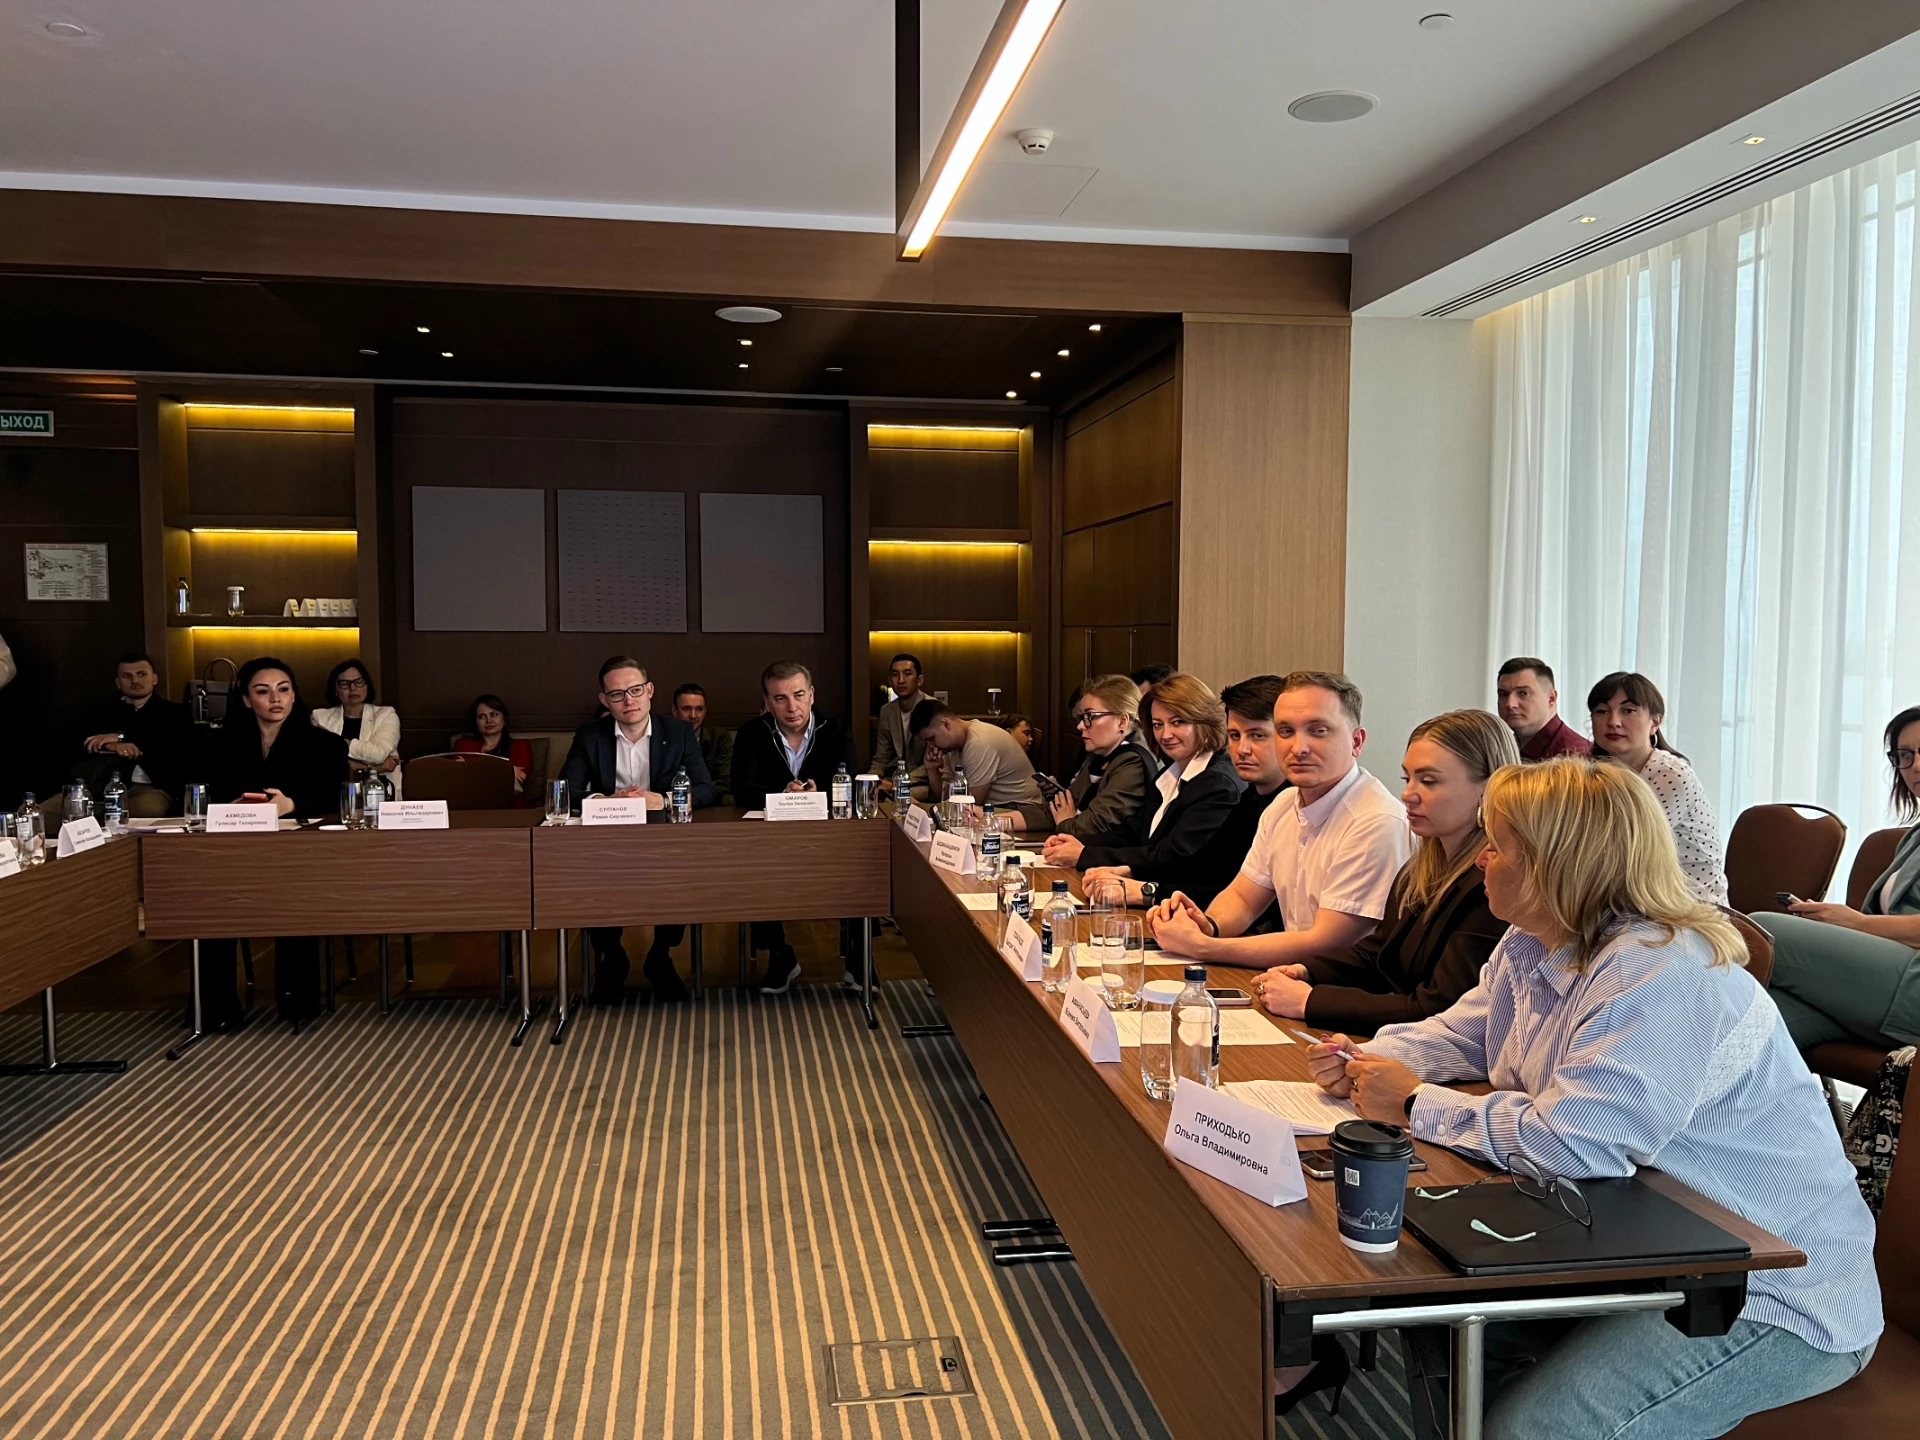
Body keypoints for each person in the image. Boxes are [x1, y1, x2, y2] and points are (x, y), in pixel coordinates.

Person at [1307, 758, 1880, 1439]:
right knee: (1442, 1319)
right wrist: (1372, 1061)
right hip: (1641, 1239)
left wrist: (1412, 1103)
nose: (1481, 859)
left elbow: (1575, 1143)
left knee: (1534, 1427)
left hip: (1769, 1287)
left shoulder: (1660, 967)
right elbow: (1465, 1034)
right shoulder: (1535, 940)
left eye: (1498, 846)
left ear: (1556, 864)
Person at [1250, 710, 1517, 1032]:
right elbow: (1380, 953)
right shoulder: (1418, 872)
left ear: (1487, 790)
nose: (1408, 794)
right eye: (1408, 779)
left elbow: (1440, 1009)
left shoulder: (1493, 885)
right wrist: (1307, 971)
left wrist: (1310, 1002)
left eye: (1429, 781)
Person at [1148, 671, 1411, 968]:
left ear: (1356, 741)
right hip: (1292, 978)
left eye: (1318, 731)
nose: (1298, 748)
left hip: (1349, 987)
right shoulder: (1284, 804)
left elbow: (1326, 943)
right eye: (1286, 731)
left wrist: (1204, 947)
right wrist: (1206, 925)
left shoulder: (1376, 821)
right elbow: (1243, 898)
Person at [1752, 706, 1920, 1053]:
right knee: (1753, 1016)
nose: (1915, 765)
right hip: (1885, 985)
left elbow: (1874, 925)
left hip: (1912, 989)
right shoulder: (1914, 838)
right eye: (1905, 755)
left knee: (1762, 931)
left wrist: (1856, 923)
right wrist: (1835, 923)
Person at [198, 657, 350, 1029]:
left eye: (283, 690)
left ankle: (298, 1004)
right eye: (263, 692)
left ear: (295, 695)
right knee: (209, 897)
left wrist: (291, 805)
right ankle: (217, 1010)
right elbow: (203, 794)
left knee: (295, 893)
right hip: (234, 850)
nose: (275, 699)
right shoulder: (219, 743)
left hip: (298, 853)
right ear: (246, 700)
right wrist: (230, 806)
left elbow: (336, 800)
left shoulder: (326, 744)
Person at [558, 657, 715, 1003]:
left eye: (635, 690)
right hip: (606, 842)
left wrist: (662, 799)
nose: (628, 700)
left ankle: (660, 955)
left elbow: (706, 790)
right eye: (617, 694)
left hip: (663, 840)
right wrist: (605, 800)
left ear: (650, 691)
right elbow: (565, 791)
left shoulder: (678, 732)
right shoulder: (590, 735)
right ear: (604, 700)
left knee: (681, 874)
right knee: (590, 878)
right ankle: (612, 957)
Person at [1086, 675, 1291, 912]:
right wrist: (1130, 871)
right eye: (1235, 736)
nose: (1242, 749)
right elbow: (1204, 869)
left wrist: (1145, 890)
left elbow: (1237, 896)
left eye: (1257, 735)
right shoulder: (1250, 798)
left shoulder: (1225, 785)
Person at [731, 661, 860, 994]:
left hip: (828, 836)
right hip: (770, 838)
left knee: (863, 860)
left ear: (812, 695)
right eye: (780, 698)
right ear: (766, 702)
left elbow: (851, 781)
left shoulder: (836, 730)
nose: (792, 707)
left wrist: (820, 794)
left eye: (799, 695)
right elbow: (741, 789)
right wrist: (781, 794)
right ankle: (780, 955)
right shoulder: (751, 733)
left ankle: (859, 957)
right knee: (751, 865)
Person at [1047, 671, 1241, 873]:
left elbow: (1171, 856)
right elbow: (1134, 832)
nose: (1165, 735)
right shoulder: (1169, 774)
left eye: (1177, 722)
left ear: (1204, 721)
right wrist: (1079, 845)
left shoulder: (1218, 785)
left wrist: (1085, 855)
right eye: (1158, 725)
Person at [1586, 671, 1727, 904]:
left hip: (1692, 909)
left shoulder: (1671, 775)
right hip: (1633, 902)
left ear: (1655, 722)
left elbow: (1620, 856)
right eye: (1602, 711)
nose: (1613, 721)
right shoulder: (1596, 772)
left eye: (1628, 710)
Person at [57, 652, 193, 818]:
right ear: (118, 683)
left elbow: (166, 742)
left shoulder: (174, 712)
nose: (135, 681)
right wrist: (110, 745)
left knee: (143, 811)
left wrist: (122, 737)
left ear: (154, 679)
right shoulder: (98, 714)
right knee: (47, 812)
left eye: (141, 674)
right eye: (127, 676)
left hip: (150, 789)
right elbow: (78, 744)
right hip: (97, 788)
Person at [1043, 675, 1155, 847]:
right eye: (1081, 717)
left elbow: (1087, 829)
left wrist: (1066, 822)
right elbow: (1064, 804)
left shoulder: (1133, 762)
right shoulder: (1101, 751)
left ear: (1122, 721)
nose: (1080, 726)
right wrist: (1000, 818)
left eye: (1090, 716)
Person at [911, 698, 1048, 832]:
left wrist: (921, 808)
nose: (931, 746)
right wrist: (932, 769)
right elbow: (945, 796)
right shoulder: (950, 747)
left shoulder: (980, 743)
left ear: (945, 724)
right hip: (993, 808)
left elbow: (969, 805)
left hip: (1020, 809)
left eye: (931, 739)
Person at [311, 659, 403, 792]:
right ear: (335, 689)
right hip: (331, 793)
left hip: (379, 793)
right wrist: (376, 768)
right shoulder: (320, 717)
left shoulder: (386, 715)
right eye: (344, 683)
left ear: (367, 686)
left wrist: (334, 742)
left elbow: (378, 754)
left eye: (358, 682)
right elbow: (319, 764)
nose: (353, 688)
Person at [1494, 657, 1589, 760]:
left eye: (1524, 693)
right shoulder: (1496, 750)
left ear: (1551, 699)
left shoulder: (1578, 757)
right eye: (1503, 694)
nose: (1510, 704)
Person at [452, 693, 531, 795]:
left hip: (508, 801)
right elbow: (457, 777)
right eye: (481, 717)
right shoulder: (463, 745)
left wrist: (470, 769)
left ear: (504, 719)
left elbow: (516, 783)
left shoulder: (520, 746)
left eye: (494, 715)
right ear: (476, 722)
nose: (489, 721)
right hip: (471, 799)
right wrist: (504, 771)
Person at [870, 652, 927, 790]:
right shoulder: (887, 711)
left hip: (923, 782)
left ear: (919, 680)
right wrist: (871, 780)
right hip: (894, 778)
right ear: (890, 681)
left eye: (907, 674)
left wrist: (896, 784)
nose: (901, 680)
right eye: (895, 675)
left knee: (896, 797)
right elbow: (881, 757)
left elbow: (934, 765)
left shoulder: (932, 709)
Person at [671, 683, 733, 805]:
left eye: (699, 709)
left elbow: (725, 780)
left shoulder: (719, 737)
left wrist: (700, 794)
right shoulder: (663, 738)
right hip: (674, 800)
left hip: (711, 799)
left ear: (705, 711)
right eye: (686, 709)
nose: (693, 715)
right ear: (674, 711)